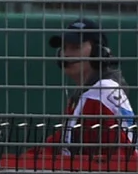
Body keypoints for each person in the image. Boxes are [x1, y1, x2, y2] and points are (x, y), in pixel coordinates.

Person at [46, 19, 135, 163]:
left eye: (75, 47)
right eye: (64, 47)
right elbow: (59, 143)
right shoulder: (85, 93)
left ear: (98, 52)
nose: (66, 54)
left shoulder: (102, 93)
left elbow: (119, 156)